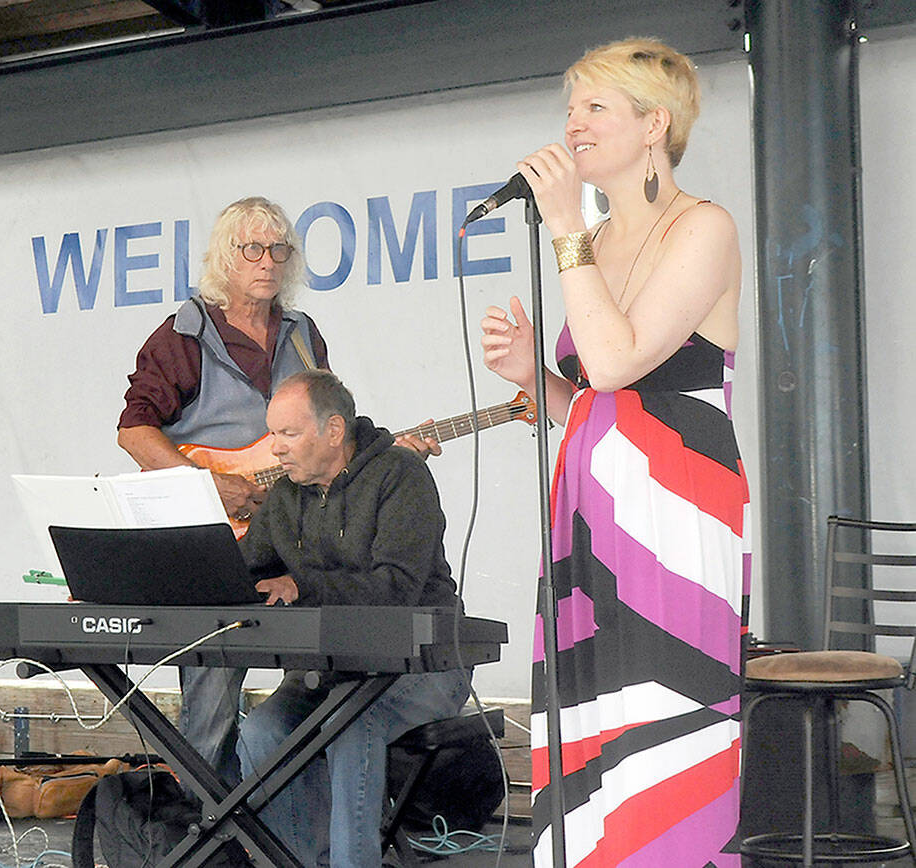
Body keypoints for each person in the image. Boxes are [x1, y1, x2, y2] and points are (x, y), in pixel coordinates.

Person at [480, 39, 748, 866]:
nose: (573, 125)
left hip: (676, 501)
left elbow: (622, 362)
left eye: (595, 108)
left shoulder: (702, 226)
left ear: (654, 124)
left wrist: (564, 227)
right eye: (571, 109)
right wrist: (535, 375)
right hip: (591, 500)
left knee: (665, 712)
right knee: (589, 713)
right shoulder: (591, 244)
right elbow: (594, 397)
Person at [117, 196, 440, 784]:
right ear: (225, 257)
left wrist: (384, 452)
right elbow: (133, 432)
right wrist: (208, 484)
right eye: (252, 249)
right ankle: (206, 824)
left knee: (308, 684)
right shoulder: (184, 333)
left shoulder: (302, 334)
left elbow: (331, 422)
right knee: (212, 688)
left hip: (286, 519)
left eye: (278, 250)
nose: (267, 261)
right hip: (210, 522)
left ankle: (272, 823)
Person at [233, 370, 471, 868]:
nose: (275, 448)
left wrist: (302, 587)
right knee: (261, 732)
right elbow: (245, 572)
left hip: (423, 667)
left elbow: (395, 589)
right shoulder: (284, 496)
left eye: (288, 434)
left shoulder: (401, 476)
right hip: (330, 670)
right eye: (273, 433)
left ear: (334, 430)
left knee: (350, 723)